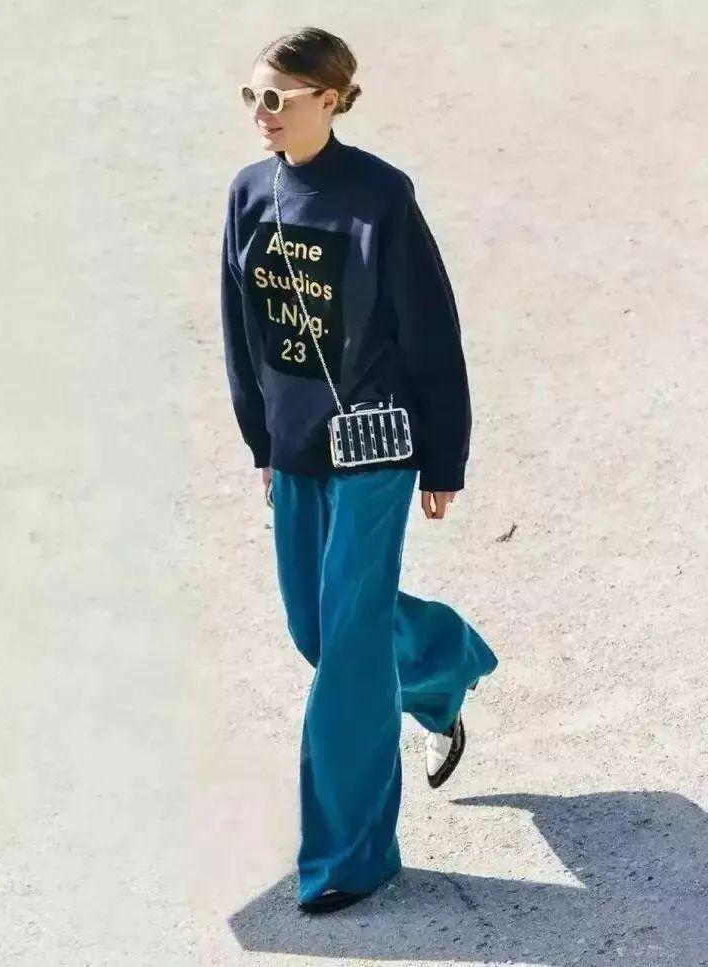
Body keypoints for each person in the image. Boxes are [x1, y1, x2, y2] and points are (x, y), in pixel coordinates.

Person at [220, 26, 498, 915]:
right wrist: (263, 442)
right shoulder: (249, 193)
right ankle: (442, 656)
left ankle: (351, 856)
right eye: (252, 96)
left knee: (345, 654)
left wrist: (444, 454)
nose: (262, 114)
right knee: (317, 628)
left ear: (331, 100)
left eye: (278, 98)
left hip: (376, 452)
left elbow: (430, 329)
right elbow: (242, 327)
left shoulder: (380, 196)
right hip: (297, 447)